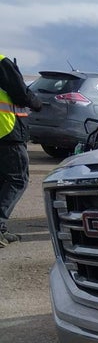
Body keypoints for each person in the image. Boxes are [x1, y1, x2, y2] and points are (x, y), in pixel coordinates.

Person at [0, 53, 42, 248]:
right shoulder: (2, 62)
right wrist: (36, 103)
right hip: (7, 130)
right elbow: (21, 93)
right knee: (18, 178)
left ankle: (1, 229)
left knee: (3, 179)